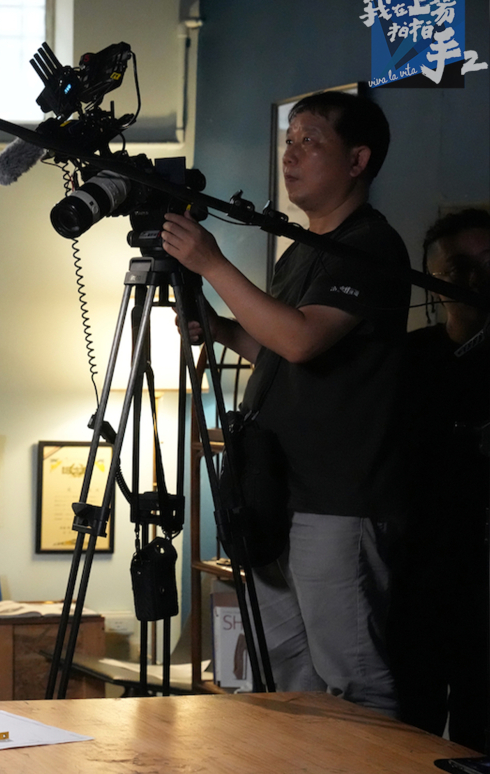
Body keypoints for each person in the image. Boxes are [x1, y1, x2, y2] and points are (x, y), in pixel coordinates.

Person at [160, 90, 408, 715]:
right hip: (276, 491)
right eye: (288, 141)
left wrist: (211, 263)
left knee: (354, 678)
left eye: (310, 142)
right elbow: (277, 349)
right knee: (286, 668)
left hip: (337, 496)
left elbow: (300, 339)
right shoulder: (300, 250)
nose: (290, 156)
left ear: (358, 160)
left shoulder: (370, 245)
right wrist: (220, 329)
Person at [390, 208, 489, 751]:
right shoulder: (412, 359)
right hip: (422, 566)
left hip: (482, 574)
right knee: (412, 721)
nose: (474, 278)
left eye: (486, 261)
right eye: (456, 269)